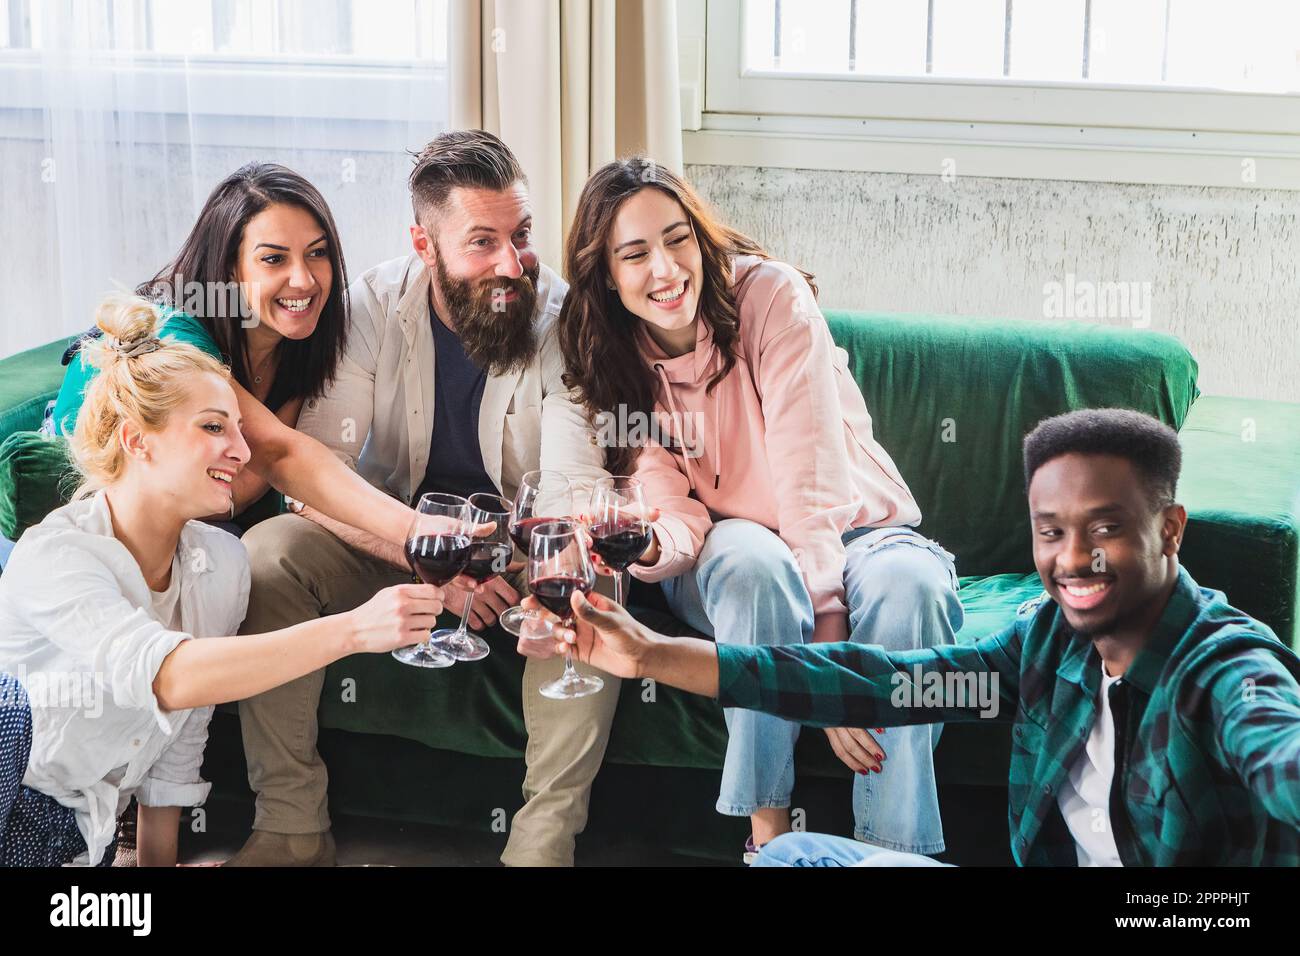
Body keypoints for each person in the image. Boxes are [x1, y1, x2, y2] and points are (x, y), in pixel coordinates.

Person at [528, 408, 1300, 866]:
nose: (1073, 559)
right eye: (1050, 531)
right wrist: (651, 655)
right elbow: (875, 684)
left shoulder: (1229, 669)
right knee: (796, 854)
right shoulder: (1045, 649)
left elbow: (1278, 749)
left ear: (1169, 529)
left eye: (1105, 529)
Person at [554, 157, 963, 861]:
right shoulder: (613, 360)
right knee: (750, 562)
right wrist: (646, 546)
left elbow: (811, 479)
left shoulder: (769, 299)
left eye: (678, 239)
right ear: (607, 276)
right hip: (736, 548)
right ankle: (770, 841)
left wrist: (833, 668)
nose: (666, 268)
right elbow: (679, 520)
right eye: (635, 253)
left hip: (857, 530)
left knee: (913, 587)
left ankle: (891, 853)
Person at [228, 130, 613, 868]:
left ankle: (539, 849)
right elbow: (315, 481)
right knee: (269, 553)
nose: (511, 263)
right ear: (424, 244)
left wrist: (531, 570)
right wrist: (423, 551)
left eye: (521, 235)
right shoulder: (371, 306)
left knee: (591, 587)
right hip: (396, 542)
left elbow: (569, 494)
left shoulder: (564, 317)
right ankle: (290, 825)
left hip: (522, 558)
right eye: (481, 242)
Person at [0, 294, 447, 867]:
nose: (242, 452)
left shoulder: (222, 565)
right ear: (138, 440)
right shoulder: (58, 557)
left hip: (86, 841)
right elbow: (169, 677)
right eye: (214, 428)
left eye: (240, 429)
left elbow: (178, 740)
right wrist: (354, 630)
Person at [52, 162, 407, 541]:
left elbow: (261, 478)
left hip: (216, 523)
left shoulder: (312, 338)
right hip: (92, 514)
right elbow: (276, 454)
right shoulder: (174, 336)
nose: (304, 279)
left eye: (317, 253)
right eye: (274, 259)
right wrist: (418, 530)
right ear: (230, 269)